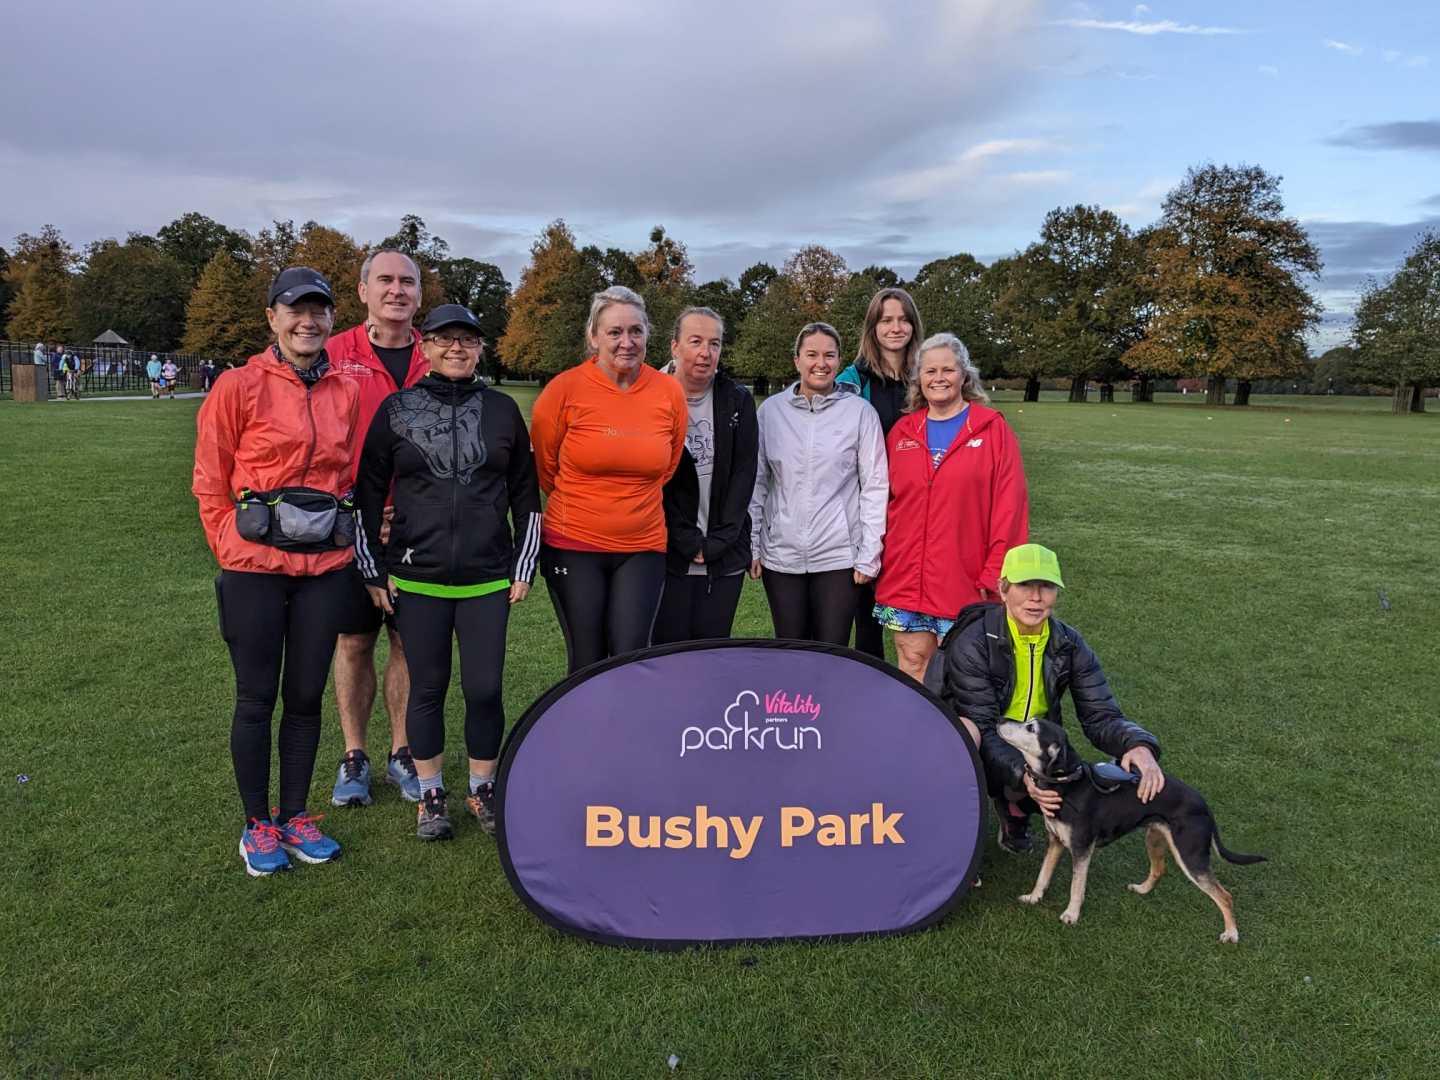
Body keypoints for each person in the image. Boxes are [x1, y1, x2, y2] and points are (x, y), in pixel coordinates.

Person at [191, 267, 359, 876]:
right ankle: (256, 823)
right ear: (273, 318)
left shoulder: (345, 389)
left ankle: (294, 816)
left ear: (332, 320)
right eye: (295, 310)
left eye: (319, 311)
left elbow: (347, 475)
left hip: (324, 567)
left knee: (307, 696)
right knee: (257, 697)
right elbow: (210, 479)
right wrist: (229, 545)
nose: (308, 321)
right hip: (254, 568)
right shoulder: (237, 386)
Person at [354, 304, 542, 839]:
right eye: (444, 339)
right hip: (417, 577)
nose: (456, 348)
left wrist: (523, 565)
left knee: (485, 689)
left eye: (467, 339)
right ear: (425, 346)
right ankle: (431, 791)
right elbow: (366, 495)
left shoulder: (503, 409)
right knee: (427, 689)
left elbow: (527, 495)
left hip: (487, 578)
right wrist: (372, 569)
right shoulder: (398, 409)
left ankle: (483, 787)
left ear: (480, 348)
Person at [934, 543, 1164, 856]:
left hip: (1029, 741)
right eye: (1025, 585)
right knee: (965, 733)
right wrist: (1025, 775)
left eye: (1047, 587)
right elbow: (986, 727)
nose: (1036, 597)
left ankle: (1014, 809)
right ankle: (950, 836)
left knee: (1069, 767)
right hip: (978, 736)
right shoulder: (973, 642)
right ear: (1003, 589)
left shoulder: (1068, 642)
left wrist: (1137, 745)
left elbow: (1100, 714)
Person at [530, 285, 687, 673]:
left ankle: (625, 734)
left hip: (643, 545)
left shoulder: (669, 392)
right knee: (586, 658)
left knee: (631, 656)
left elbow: (666, 466)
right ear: (594, 336)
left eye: (636, 331)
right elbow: (546, 469)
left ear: (648, 334)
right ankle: (583, 733)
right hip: (574, 542)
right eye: (615, 332)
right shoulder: (563, 390)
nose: (626, 342)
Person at [326, 250, 431, 807]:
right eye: (385, 279)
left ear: (419, 294)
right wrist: (356, 508)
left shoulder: (437, 354)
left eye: (407, 281)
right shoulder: (333, 353)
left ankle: (403, 753)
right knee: (354, 641)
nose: (397, 289)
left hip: (422, 526)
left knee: (409, 643)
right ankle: (354, 755)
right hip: (353, 524)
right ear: (363, 289)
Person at [873, 333, 1029, 684]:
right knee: (912, 663)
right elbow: (881, 502)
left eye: (948, 369)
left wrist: (995, 573)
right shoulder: (902, 433)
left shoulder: (993, 431)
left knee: (963, 674)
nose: (938, 378)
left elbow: (1010, 510)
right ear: (918, 379)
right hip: (906, 577)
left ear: (964, 375)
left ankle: (958, 740)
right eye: (930, 371)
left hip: (965, 579)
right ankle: (914, 736)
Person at [748, 323, 888, 646]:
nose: (820, 363)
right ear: (797, 360)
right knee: (791, 649)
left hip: (839, 558)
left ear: (840, 361)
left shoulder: (860, 413)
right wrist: (753, 544)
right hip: (781, 557)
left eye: (829, 355)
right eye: (811, 354)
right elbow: (757, 483)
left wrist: (869, 554)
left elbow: (875, 485)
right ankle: (791, 701)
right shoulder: (771, 412)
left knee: (831, 651)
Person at [655, 307, 758, 643]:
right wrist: (686, 541)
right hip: (666, 550)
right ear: (674, 346)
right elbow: (653, 482)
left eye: (714, 343)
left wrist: (718, 541)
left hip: (724, 552)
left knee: (712, 653)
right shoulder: (650, 396)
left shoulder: (738, 399)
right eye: (695, 341)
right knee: (667, 654)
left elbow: (745, 475)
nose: (705, 352)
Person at [837, 287, 924, 659]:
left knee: (917, 610)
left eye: (903, 319)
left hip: (916, 509)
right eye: (886, 319)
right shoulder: (853, 380)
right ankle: (866, 681)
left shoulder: (926, 378)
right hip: (863, 509)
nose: (895, 327)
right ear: (873, 327)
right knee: (865, 607)